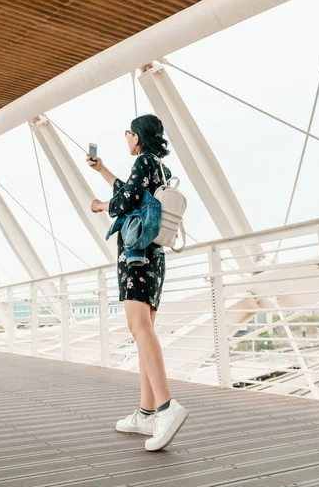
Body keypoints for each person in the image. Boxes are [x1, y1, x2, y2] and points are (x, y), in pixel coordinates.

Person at [87, 113, 189, 452]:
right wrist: (102, 170)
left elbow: (125, 201)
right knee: (145, 330)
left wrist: (102, 205)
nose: (126, 139)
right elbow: (135, 193)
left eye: (128, 133)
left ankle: (166, 407)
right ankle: (146, 413)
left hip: (136, 259)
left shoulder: (143, 160)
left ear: (137, 138)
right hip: (154, 257)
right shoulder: (159, 167)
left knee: (139, 328)